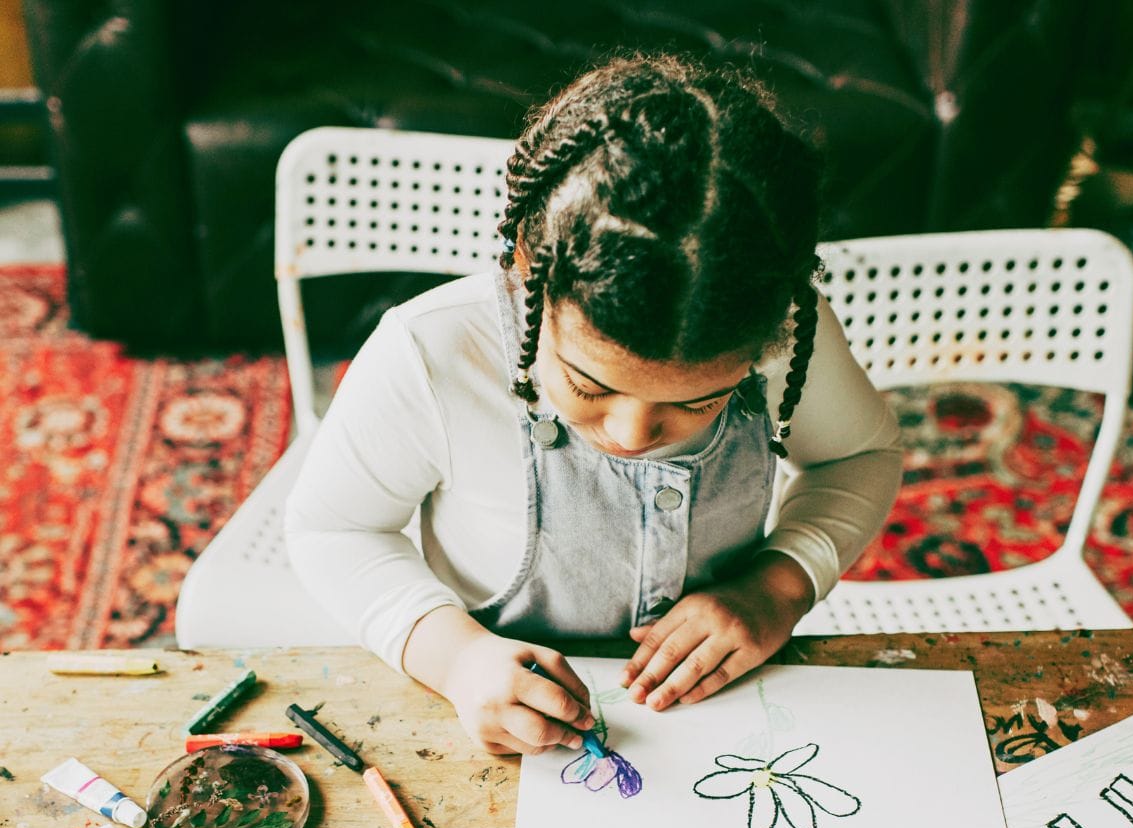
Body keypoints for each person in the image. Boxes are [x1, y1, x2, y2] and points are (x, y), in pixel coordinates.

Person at [285, 52, 902, 757]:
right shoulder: (433, 352)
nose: (631, 431)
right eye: (589, 385)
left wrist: (778, 587)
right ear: (527, 269)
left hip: (722, 710)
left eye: (701, 401)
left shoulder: (785, 332)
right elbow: (333, 531)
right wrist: (452, 657)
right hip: (493, 704)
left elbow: (863, 456)